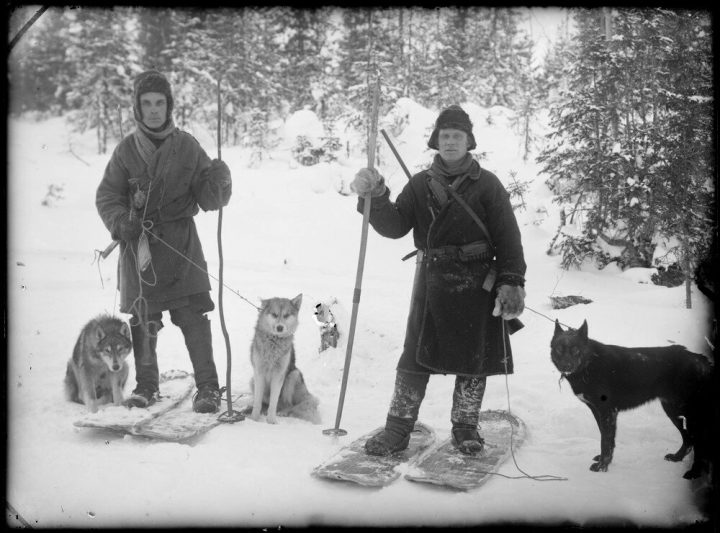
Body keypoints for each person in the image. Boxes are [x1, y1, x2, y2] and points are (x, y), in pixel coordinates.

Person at [350, 105, 526, 455]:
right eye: (445, 136)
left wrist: (511, 281)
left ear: (468, 142)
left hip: (477, 284)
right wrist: (376, 195)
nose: (450, 142)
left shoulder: (488, 185)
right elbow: (395, 226)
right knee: (415, 357)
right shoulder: (419, 184)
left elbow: (509, 237)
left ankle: (465, 429)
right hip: (432, 284)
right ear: (436, 141)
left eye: (457, 136)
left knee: (473, 361)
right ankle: (397, 430)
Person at [96, 70, 232, 413]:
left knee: (193, 318)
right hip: (139, 249)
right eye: (147, 104)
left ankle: (208, 388)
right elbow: (107, 196)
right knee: (144, 322)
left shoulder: (187, 146)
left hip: (181, 246)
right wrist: (120, 222)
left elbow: (209, 200)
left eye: (160, 103)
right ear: (137, 108)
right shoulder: (126, 150)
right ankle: (146, 387)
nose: (154, 110)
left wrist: (220, 180)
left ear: (169, 106)